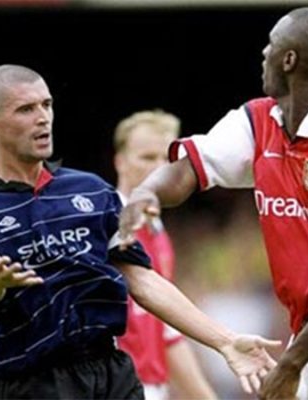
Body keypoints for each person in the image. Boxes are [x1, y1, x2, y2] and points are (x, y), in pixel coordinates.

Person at [119, 7, 308, 400]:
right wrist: (148, 193)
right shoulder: (260, 121)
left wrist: (291, 364)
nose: (264, 53)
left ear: (289, 59)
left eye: (271, 44)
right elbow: (188, 171)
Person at [0, 64, 280, 399]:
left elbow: (142, 280)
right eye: (26, 109)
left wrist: (225, 341)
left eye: (46, 105)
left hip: (110, 373)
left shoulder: (91, 191)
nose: (43, 118)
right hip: (33, 383)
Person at [112, 110, 218, 400]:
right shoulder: (105, 225)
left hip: (152, 388)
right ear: (120, 161)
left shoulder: (156, 231)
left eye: (165, 159)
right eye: (147, 157)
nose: (158, 168)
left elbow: (167, 333)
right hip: (116, 385)